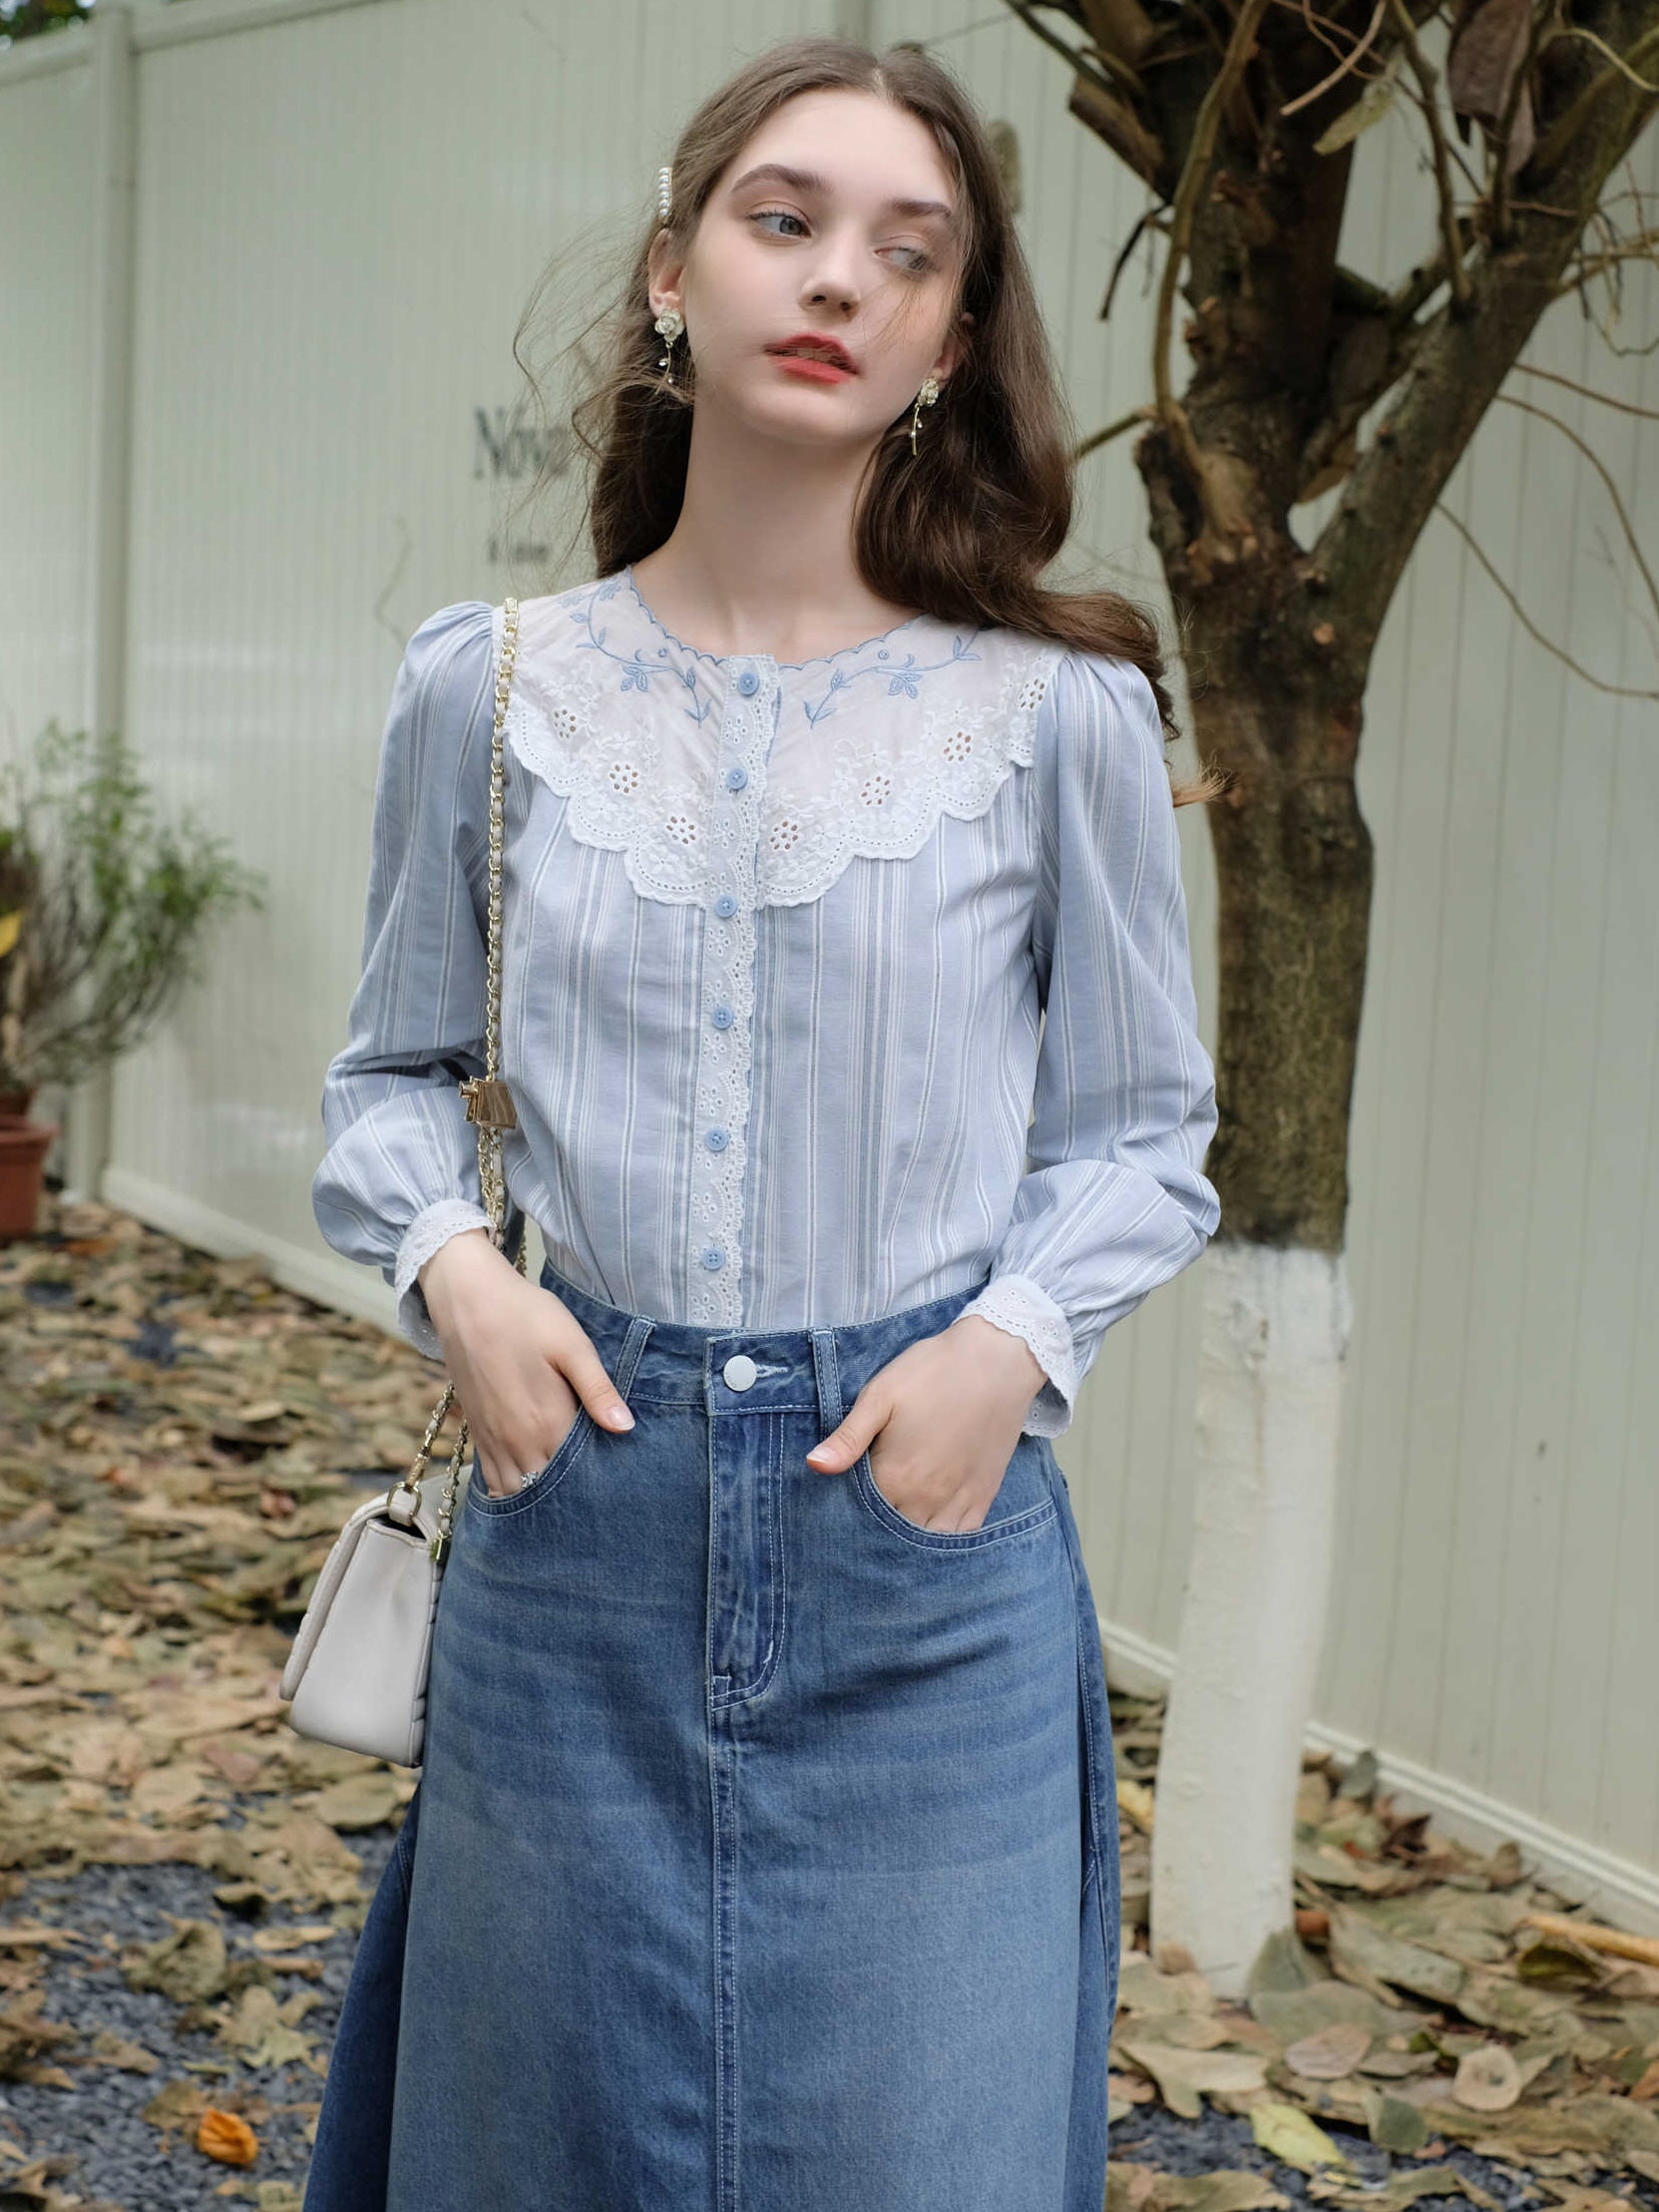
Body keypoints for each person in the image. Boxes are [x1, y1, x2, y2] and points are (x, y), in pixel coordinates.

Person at [300, 32, 1220, 2212]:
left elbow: (1140, 1134)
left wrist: (1001, 1354)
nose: (838, 282)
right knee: (546, 2161)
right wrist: (460, 1287)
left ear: (949, 339)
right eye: (782, 220)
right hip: (576, 1525)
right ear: (668, 274)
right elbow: (385, 1078)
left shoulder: (1062, 717)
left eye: (910, 254)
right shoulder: (493, 686)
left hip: (921, 1562)